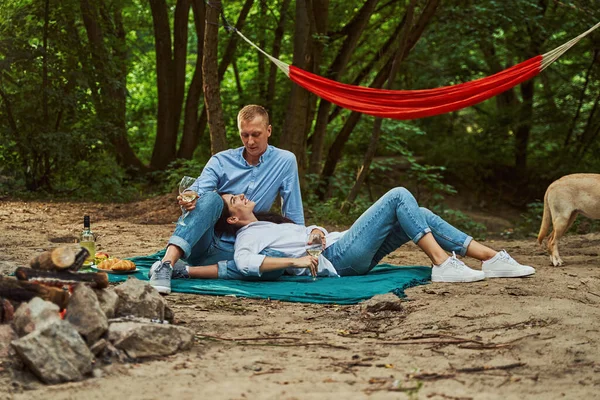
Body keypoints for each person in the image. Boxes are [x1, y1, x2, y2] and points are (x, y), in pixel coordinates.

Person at [202, 188, 535, 282]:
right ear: (232, 218)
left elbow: (306, 233)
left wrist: (314, 232)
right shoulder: (247, 238)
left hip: (340, 247)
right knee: (398, 195)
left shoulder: (265, 224)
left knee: (423, 215)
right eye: (235, 200)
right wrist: (297, 260)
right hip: (339, 258)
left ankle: (491, 260)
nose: (242, 196)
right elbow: (245, 263)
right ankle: (441, 262)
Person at [148, 105, 305, 294]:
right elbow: (198, 191)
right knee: (212, 199)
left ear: (269, 130)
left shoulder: (285, 161)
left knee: (276, 263)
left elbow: (292, 209)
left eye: (256, 134)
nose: (250, 141)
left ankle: (186, 271)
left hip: (245, 248)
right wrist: (189, 197)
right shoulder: (221, 160)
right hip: (206, 241)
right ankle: (165, 265)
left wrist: (301, 245)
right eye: (244, 135)